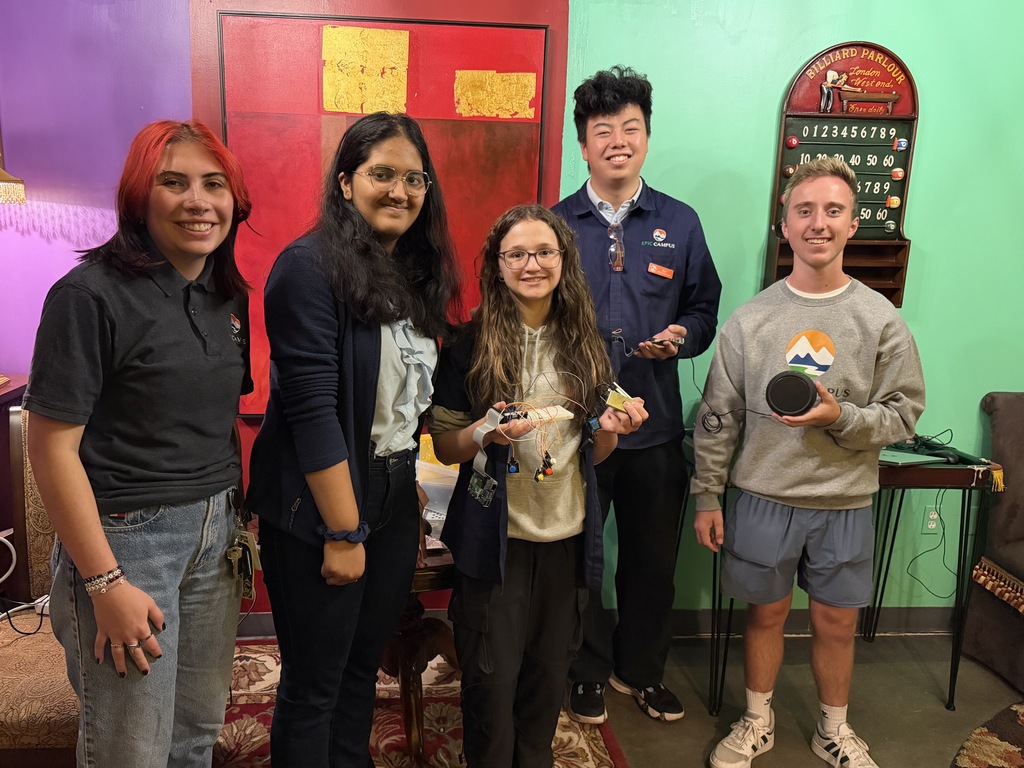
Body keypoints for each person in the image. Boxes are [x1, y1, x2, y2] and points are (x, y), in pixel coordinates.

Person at [24, 119, 253, 767]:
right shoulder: (88, 296)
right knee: (132, 748)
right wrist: (105, 582)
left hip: (215, 539)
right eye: (172, 182)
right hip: (127, 540)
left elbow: (214, 423)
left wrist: (235, 524)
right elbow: (50, 449)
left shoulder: (220, 294)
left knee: (195, 735)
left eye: (214, 184)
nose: (197, 200)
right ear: (137, 196)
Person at [691, 157, 925, 768]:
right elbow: (719, 415)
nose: (818, 223)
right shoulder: (751, 321)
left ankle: (833, 729)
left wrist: (840, 419)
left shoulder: (880, 320)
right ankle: (756, 719)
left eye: (833, 211)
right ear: (785, 225)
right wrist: (709, 494)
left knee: (837, 624)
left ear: (853, 225)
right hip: (765, 497)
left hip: (845, 500)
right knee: (764, 615)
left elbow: (903, 414)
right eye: (805, 211)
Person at [246, 111, 462, 767]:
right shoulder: (306, 269)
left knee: (362, 671)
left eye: (414, 178)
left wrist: (408, 504)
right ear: (345, 182)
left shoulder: (413, 277)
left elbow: (403, 411)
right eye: (382, 174)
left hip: (395, 491)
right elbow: (313, 414)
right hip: (322, 501)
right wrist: (343, 532)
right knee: (314, 684)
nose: (400, 190)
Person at [428, 204, 649, 767]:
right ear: (497, 266)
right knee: (490, 681)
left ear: (564, 260)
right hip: (496, 542)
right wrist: (484, 433)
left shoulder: (587, 343)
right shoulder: (468, 343)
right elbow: (447, 445)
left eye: (544, 252)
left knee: (547, 682)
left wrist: (614, 431)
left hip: (567, 537)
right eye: (517, 254)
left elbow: (593, 449)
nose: (532, 264)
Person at [553, 65, 722, 724]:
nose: (618, 140)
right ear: (584, 142)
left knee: (652, 564)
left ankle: (641, 671)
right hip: (579, 431)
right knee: (582, 561)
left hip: (655, 431)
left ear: (647, 136)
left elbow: (705, 307)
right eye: (603, 130)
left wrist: (684, 335)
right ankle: (587, 669)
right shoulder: (557, 224)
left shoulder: (679, 222)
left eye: (631, 127)